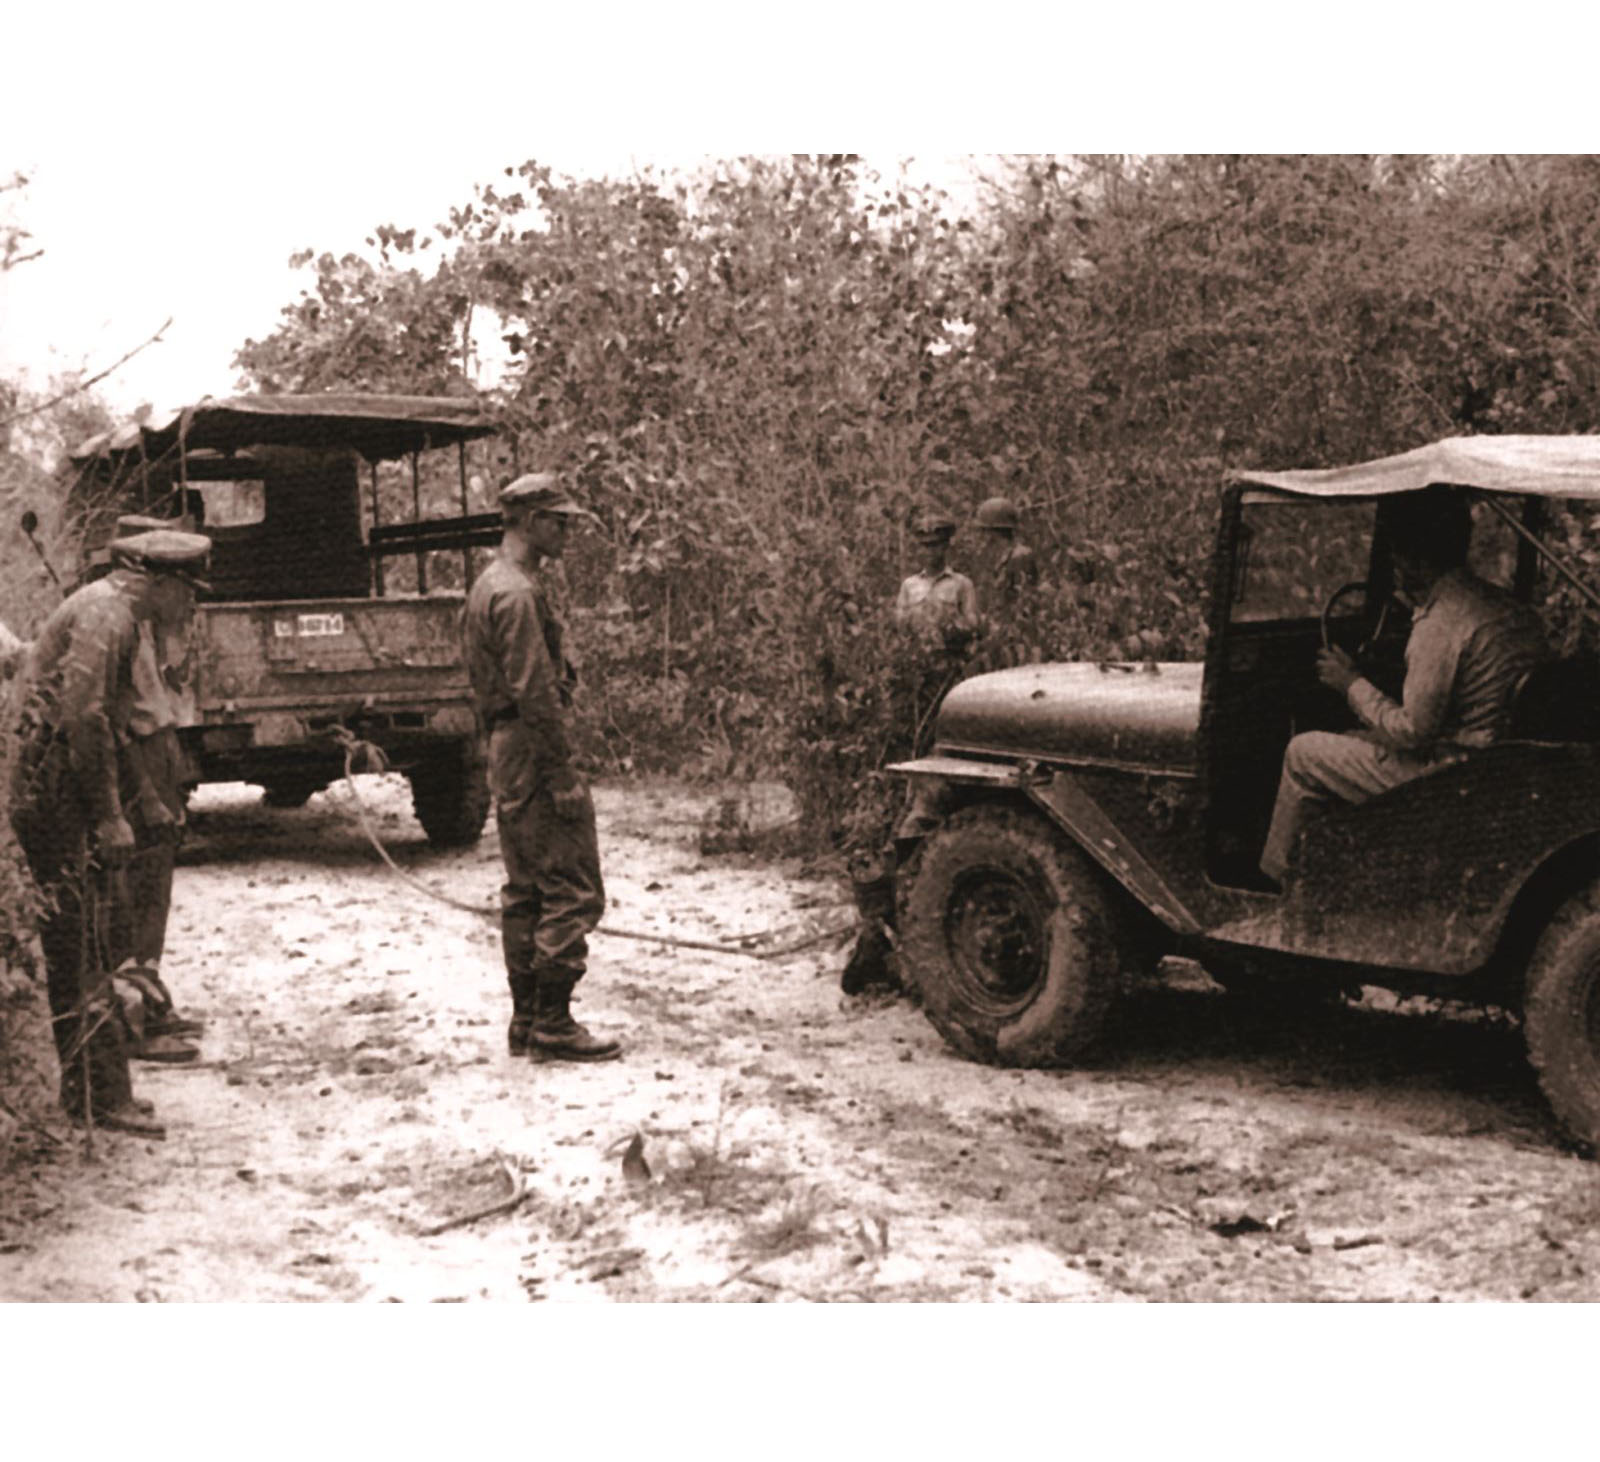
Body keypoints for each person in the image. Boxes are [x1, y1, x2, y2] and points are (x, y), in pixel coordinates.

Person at [9, 529, 213, 1138]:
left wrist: (143, 800)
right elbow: (84, 718)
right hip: (52, 789)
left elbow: (110, 722)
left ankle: (97, 1092)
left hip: (58, 782)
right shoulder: (108, 616)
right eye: (190, 592)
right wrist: (108, 814)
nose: (191, 606)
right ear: (162, 582)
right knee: (80, 943)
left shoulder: (117, 614)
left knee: (92, 940)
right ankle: (95, 1099)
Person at [1260, 487, 1551, 885]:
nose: (1393, 561)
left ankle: (1276, 881)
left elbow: (1413, 732)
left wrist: (1350, 683)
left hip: (1449, 780)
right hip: (1504, 767)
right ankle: (1342, 876)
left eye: (1396, 552)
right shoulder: (1511, 610)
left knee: (1303, 753)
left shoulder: (1440, 622)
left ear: (1413, 559)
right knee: (1352, 738)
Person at [462, 472, 620, 1062]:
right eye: (558, 522)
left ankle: (528, 1020)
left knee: (526, 888)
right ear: (530, 522)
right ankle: (552, 1022)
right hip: (530, 747)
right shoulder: (518, 594)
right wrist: (562, 776)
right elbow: (536, 693)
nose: (566, 532)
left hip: (507, 746)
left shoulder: (490, 585)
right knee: (572, 887)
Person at [104, 516, 206, 1063]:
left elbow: (159, 704)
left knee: (154, 891)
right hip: (138, 765)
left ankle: (151, 1000)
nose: (189, 600)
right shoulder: (117, 626)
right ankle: (134, 1019)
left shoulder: (143, 626)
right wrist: (146, 794)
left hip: (157, 754)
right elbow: (117, 724)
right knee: (133, 896)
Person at [894, 509, 979, 653]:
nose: (930, 551)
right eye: (925, 546)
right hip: (917, 656)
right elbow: (900, 627)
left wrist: (951, 624)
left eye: (935, 545)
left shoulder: (962, 584)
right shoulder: (909, 585)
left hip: (952, 656)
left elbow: (973, 626)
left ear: (945, 546)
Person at [972, 495, 1039, 613]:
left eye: (984, 530)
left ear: (992, 532)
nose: (982, 536)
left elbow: (1026, 600)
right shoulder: (999, 557)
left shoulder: (1020, 556)